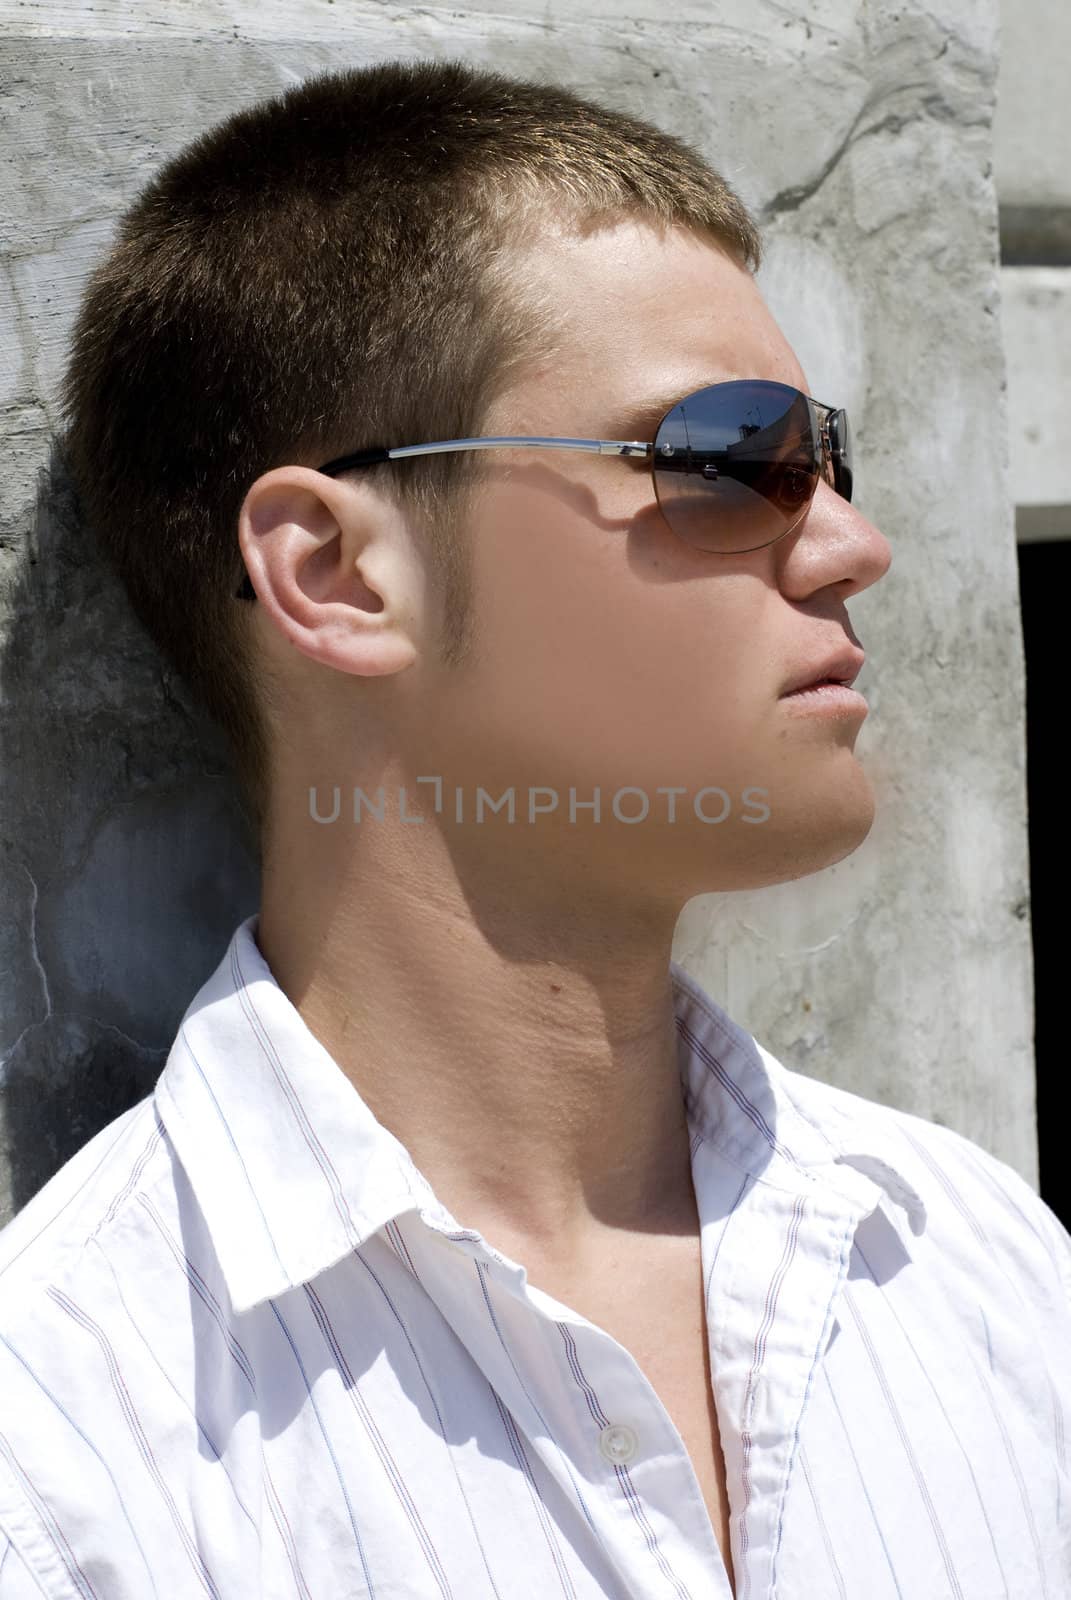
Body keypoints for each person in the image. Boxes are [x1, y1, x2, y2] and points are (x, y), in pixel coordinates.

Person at [0, 56, 1067, 1600]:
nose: (851, 542)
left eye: (825, 459)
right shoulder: (71, 1443)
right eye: (726, 459)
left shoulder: (975, 1266)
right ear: (340, 576)